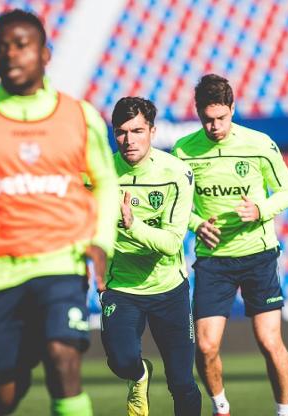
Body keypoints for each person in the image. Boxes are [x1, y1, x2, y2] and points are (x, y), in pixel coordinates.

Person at [0, 9, 118, 416]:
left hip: (62, 262)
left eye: (21, 45)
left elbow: (106, 181)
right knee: (3, 398)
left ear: (45, 54)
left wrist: (101, 243)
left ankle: (45, 344)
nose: (11, 55)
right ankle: (19, 352)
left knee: (63, 355)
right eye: (2, 47)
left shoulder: (80, 117)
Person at [172, 74, 288, 416]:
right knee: (206, 345)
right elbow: (177, 206)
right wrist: (197, 225)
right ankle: (221, 408)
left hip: (258, 255)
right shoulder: (184, 150)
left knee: (269, 343)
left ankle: (284, 412)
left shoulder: (259, 144)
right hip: (214, 260)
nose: (214, 126)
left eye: (221, 118)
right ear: (198, 113)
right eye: (207, 119)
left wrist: (260, 209)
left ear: (232, 109)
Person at [99, 96, 202, 416]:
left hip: (169, 288)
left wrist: (132, 225)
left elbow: (172, 242)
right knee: (122, 361)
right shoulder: (98, 174)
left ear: (153, 131)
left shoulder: (176, 173)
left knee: (182, 381)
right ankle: (139, 375)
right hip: (122, 287)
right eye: (120, 132)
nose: (128, 140)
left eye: (137, 130)